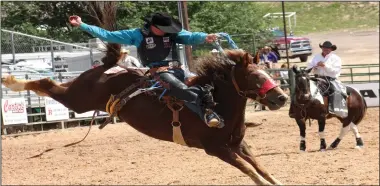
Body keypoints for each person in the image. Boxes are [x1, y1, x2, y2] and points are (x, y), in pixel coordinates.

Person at [69, 12, 224, 128]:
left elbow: (190, 36)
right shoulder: (137, 35)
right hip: (160, 73)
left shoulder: (172, 33)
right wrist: (82, 25)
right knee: (180, 89)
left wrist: (205, 37)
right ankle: (207, 112)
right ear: (153, 27)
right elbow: (108, 35)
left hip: (180, 69)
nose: (167, 31)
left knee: (205, 82)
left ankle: (212, 110)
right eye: (163, 29)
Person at [289, 41, 346, 117]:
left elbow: (336, 71)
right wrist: (313, 67)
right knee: (301, 87)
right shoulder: (316, 57)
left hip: (330, 79)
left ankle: (331, 108)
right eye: (324, 47)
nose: (326, 49)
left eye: (328, 48)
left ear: (331, 49)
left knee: (335, 90)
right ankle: (294, 110)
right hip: (317, 77)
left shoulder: (336, 58)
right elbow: (309, 67)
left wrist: (324, 66)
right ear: (322, 48)